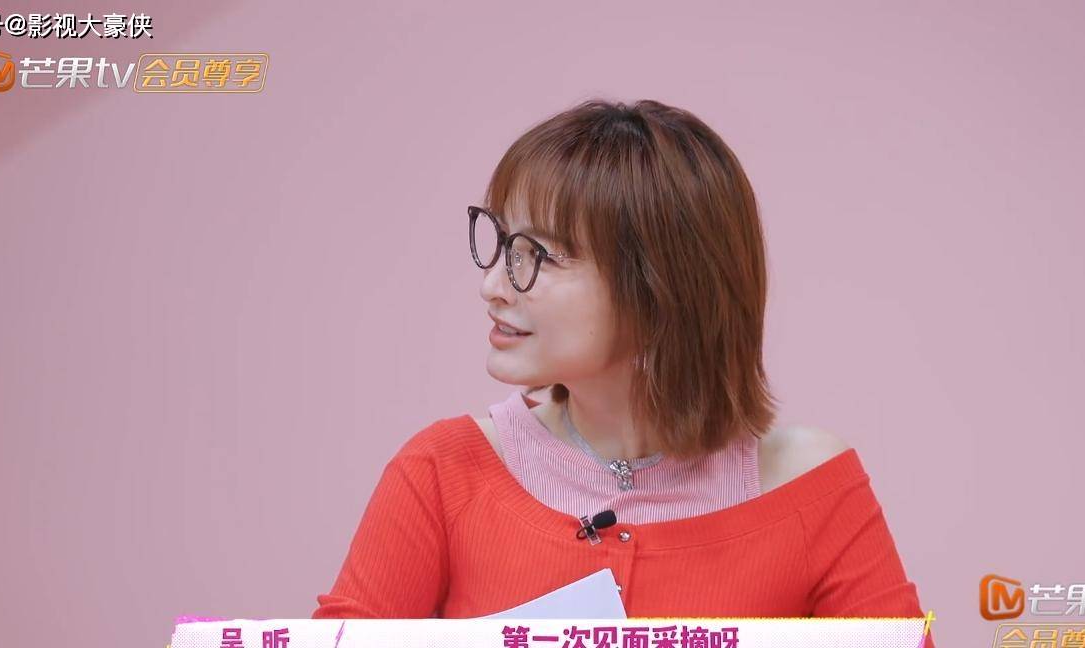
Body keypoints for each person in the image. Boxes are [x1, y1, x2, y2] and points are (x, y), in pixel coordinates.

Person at [312, 99, 934, 646]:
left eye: (539, 255)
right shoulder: (444, 472)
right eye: (501, 244)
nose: (493, 285)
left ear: (661, 288)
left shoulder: (807, 487)